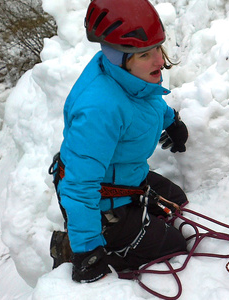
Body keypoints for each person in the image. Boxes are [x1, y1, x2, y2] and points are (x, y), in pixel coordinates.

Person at [48, 0, 189, 283]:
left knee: (177, 201)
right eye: (145, 54)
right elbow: (79, 187)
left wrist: (170, 121)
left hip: (125, 177)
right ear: (119, 56)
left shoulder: (126, 77)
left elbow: (143, 100)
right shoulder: (99, 110)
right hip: (102, 199)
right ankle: (73, 247)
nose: (160, 61)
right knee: (174, 246)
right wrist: (88, 249)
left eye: (158, 49)